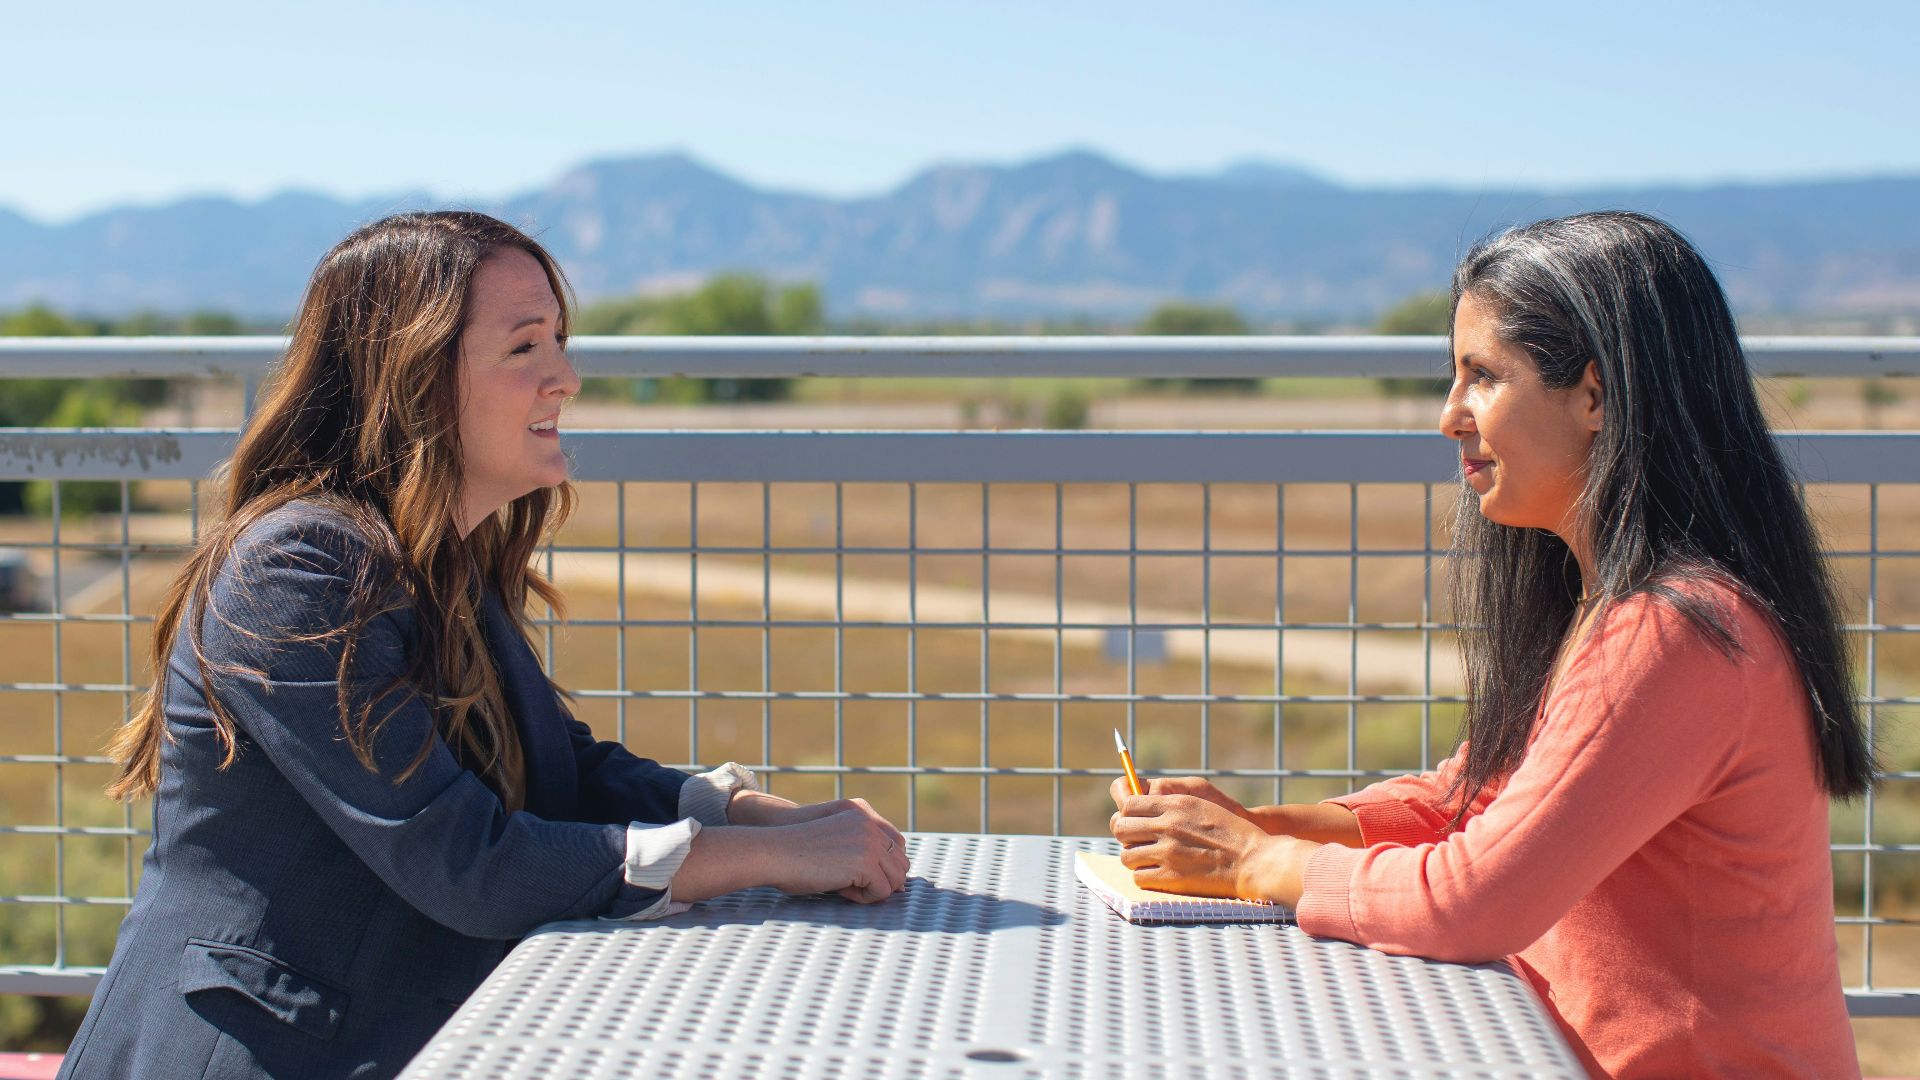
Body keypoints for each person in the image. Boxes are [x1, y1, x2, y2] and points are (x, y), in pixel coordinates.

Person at [60, 211, 910, 1080]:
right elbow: (462, 860)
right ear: (413, 376)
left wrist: (747, 812)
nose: (565, 380)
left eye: (561, 345)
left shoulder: (434, 556)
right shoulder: (299, 569)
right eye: (525, 349)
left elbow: (563, 772)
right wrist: (762, 858)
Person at [1109, 211, 1873, 1078]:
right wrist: (1252, 828)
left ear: (1596, 395)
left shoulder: (1679, 632)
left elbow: (1476, 899)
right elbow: (1470, 800)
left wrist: (1260, 862)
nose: (1449, 417)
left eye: (1482, 377)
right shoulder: (1614, 603)